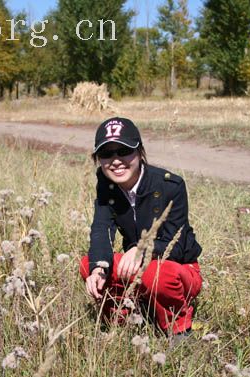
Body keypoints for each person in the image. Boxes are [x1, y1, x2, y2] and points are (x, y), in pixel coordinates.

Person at [79, 117, 202, 339]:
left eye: (124, 150)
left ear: (139, 151)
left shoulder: (170, 185)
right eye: (106, 154)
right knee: (89, 264)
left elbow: (178, 246)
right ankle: (124, 319)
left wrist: (143, 250)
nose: (116, 160)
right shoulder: (106, 184)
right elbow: (101, 230)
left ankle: (178, 329)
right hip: (136, 268)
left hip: (176, 269)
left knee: (156, 273)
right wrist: (98, 269)